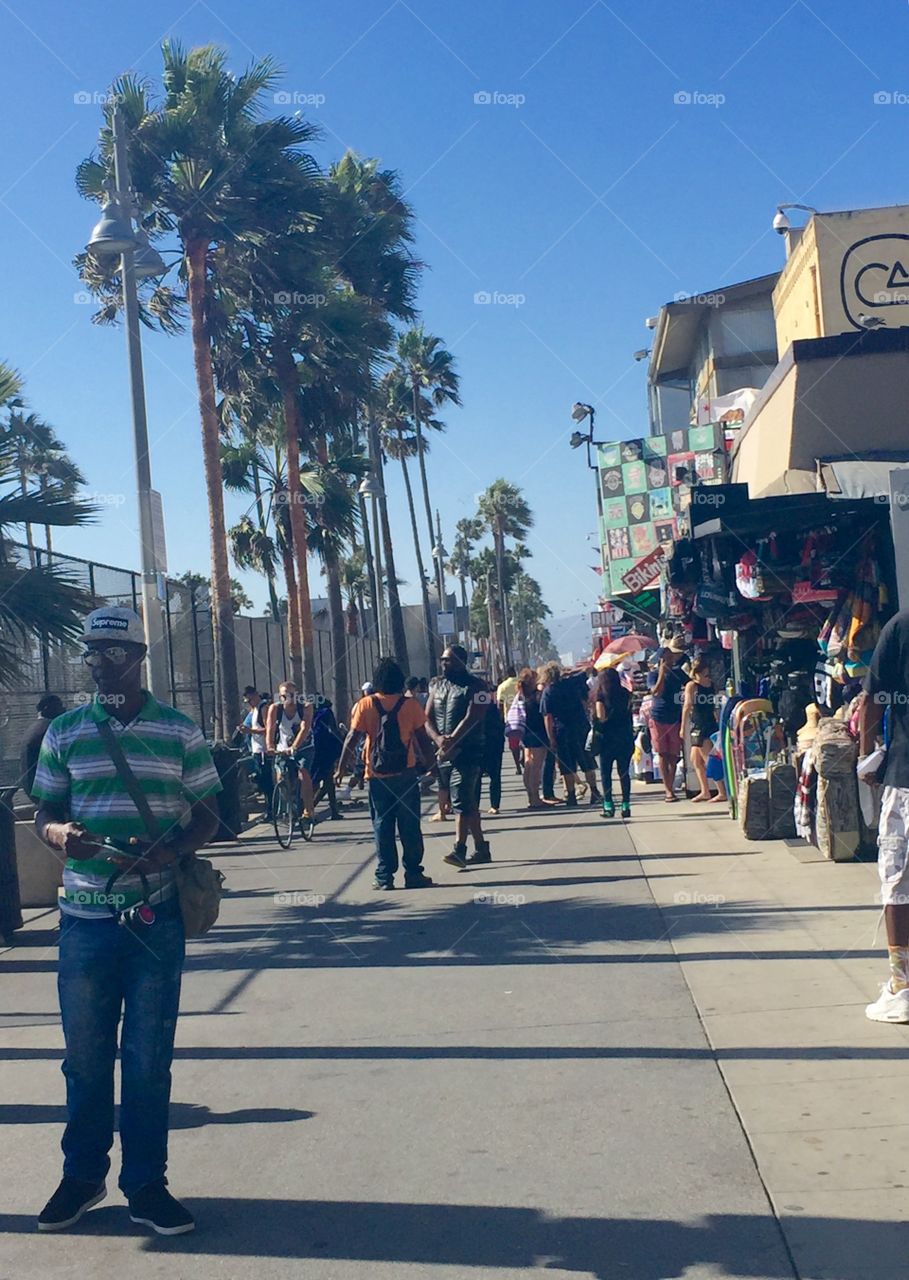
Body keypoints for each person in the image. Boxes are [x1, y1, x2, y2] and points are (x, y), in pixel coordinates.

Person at [31, 607, 221, 1235]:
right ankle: (82, 1178)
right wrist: (62, 835)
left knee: (146, 1059)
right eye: (92, 653)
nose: (102, 662)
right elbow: (44, 814)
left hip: (153, 917)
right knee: (84, 1060)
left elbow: (207, 814)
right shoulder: (64, 733)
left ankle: (145, 1186)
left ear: (140, 656)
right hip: (84, 921)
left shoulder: (179, 731)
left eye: (114, 651)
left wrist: (170, 850)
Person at [336, 658, 434, 889]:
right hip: (406, 773)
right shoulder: (410, 705)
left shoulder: (366, 704)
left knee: (382, 824)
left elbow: (353, 737)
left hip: (377, 776)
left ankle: (384, 876)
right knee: (410, 825)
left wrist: (341, 767)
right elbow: (422, 738)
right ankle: (413, 873)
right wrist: (432, 766)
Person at [861, 609, 909, 1022]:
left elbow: (875, 696)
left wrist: (865, 758)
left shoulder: (901, 626)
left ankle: (902, 983)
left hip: (906, 776)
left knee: (898, 882)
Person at [426, 645, 491, 868]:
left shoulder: (479, 687)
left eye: (450, 660)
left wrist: (452, 739)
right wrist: (438, 740)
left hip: (470, 751)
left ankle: (459, 849)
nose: (445, 664)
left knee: (461, 798)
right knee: (468, 803)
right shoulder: (436, 686)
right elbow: (426, 718)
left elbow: (476, 716)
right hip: (444, 753)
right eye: (443, 660)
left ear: (463, 662)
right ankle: (482, 848)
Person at [540, 662, 601, 809]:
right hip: (580, 727)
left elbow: (547, 716)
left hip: (562, 731)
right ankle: (594, 792)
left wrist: (551, 738)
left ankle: (571, 795)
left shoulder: (548, 691)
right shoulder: (571, 683)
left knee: (566, 765)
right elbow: (587, 671)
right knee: (587, 761)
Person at [265, 680, 315, 822]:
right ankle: (289, 808)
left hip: (305, 747)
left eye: (291, 695)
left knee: (303, 773)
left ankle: (308, 809)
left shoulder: (305, 707)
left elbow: (305, 729)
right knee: (280, 776)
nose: (288, 699)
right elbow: (270, 729)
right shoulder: (275, 709)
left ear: (296, 695)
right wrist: (270, 746)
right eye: (284, 696)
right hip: (283, 748)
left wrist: (295, 747)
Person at [647, 636, 689, 802]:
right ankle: (668, 790)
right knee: (663, 754)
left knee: (673, 755)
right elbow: (655, 692)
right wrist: (662, 674)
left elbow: (691, 684)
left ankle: (671, 786)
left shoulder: (678, 673)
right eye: (667, 657)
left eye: (672, 657)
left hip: (675, 716)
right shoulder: (653, 674)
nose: (671, 660)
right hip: (658, 716)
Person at [592, 667, 634, 819]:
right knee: (624, 773)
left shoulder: (601, 695)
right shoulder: (626, 693)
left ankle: (608, 805)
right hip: (624, 737)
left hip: (607, 739)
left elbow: (601, 717)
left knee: (606, 773)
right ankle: (626, 805)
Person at [681, 659, 720, 802]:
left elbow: (687, 706)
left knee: (708, 759)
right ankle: (705, 791)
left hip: (700, 724)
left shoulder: (692, 686)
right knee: (695, 760)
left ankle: (721, 790)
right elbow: (714, 706)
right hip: (707, 722)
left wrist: (682, 726)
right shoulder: (711, 685)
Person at [20, 693, 65, 799]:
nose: (63, 710)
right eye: (59, 706)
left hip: (31, 788)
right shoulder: (51, 728)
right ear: (47, 708)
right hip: (44, 791)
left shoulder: (34, 728)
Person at [237, 686, 272, 815]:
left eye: (250, 700)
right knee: (261, 780)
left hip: (263, 750)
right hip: (257, 750)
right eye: (247, 701)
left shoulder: (263, 708)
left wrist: (250, 731)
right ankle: (269, 808)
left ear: (256, 696)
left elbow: (268, 729)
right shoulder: (254, 710)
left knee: (265, 780)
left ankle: (270, 810)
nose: (249, 703)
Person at [517, 668, 548, 808]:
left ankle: (531, 796)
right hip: (538, 733)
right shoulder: (538, 696)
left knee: (528, 765)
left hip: (526, 733)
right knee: (536, 767)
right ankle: (535, 797)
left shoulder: (520, 696)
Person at [311, 695, 344, 819]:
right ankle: (309, 807)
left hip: (315, 750)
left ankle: (333, 810)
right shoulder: (326, 713)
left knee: (326, 782)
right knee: (326, 782)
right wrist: (340, 745)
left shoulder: (311, 714)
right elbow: (333, 730)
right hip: (327, 751)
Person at [479, 690, 505, 814]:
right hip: (495, 744)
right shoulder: (494, 709)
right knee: (495, 776)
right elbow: (500, 726)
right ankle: (495, 805)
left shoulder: (474, 709)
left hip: (480, 745)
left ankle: (475, 805)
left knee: (476, 777)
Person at [496, 665, 522, 775]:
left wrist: (500, 718)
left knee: (514, 745)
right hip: (524, 717)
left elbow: (500, 705)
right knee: (526, 742)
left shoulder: (502, 687)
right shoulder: (521, 683)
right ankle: (524, 758)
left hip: (510, 720)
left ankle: (518, 766)